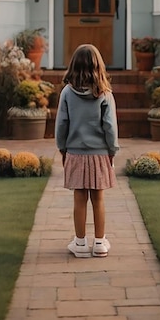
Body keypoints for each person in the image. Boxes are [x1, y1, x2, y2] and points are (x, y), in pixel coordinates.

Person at [55, 44, 119, 258]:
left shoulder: (66, 92)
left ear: (73, 65)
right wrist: (112, 150)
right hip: (100, 153)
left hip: (74, 152)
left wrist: (62, 148)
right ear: (98, 66)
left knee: (79, 198)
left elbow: (61, 124)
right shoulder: (104, 93)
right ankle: (100, 243)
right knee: (98, 198)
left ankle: (80, 243)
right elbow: (110, 126)